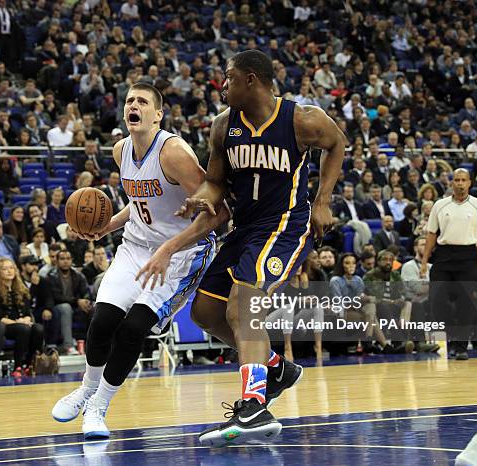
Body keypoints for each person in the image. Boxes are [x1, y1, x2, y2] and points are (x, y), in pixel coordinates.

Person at [138, 50, 345, 446]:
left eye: (228, 78)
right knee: (206, 311)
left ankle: (254, 405)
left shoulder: (302, 119)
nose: (222, 85)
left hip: (285, 225)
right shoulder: (222, 127)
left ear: (251, 79)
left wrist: (323, 200)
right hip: (245, 228)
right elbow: (215, 182)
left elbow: (338, 144)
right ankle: (275, 369)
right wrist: (202, 196)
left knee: (243, 305)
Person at [51, 82, 218, 439]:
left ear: (158, 115)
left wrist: (170, 248)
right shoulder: (120, 151)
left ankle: (99, 407)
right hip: (135, 247)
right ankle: (86, 389)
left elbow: (218, 211)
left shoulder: (174, 153)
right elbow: (141, 203)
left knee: (132, 328)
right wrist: (109, 224)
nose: (134, 105)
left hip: (180, 253)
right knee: (102, 319)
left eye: (142, 101)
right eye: (129, 100)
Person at [420, 169, 477, 360]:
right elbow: (432, 233)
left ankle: (460, 346)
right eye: (456, 180)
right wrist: (424, 261)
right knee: (437, 300)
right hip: (443, 254)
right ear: (452, 183)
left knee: (465, 302)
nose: (459, 183)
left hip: (467, 255)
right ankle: (450, 337)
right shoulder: (440, 205)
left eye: (463, 180)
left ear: (469, 183)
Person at [0, 258, 44, 375]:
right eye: (5, 269)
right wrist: (18, 322)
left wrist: (26, 319)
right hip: (5, 326)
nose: (9, 271)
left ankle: (30, 362)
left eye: (11, 268)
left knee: (38, 329)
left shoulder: (21, 289)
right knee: (23, 329)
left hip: (22, 323)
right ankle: (18, 366)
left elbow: (27, 312)